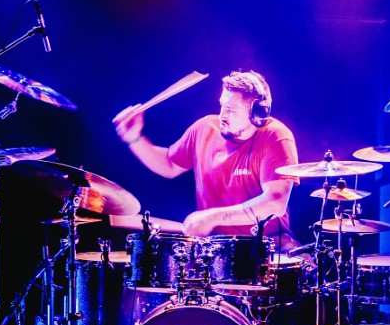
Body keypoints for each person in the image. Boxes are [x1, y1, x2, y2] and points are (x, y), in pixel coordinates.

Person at [112, 69, 301, 253]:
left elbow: (275, 203)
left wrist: (212, 218)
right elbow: (168, 165)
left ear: (257, 114)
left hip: (266, 247)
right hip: (213, 251)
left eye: (231, 110)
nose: (222, 116)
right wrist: (134, 139)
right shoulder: (204, 128)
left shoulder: (275, 136)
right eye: (222, 106)